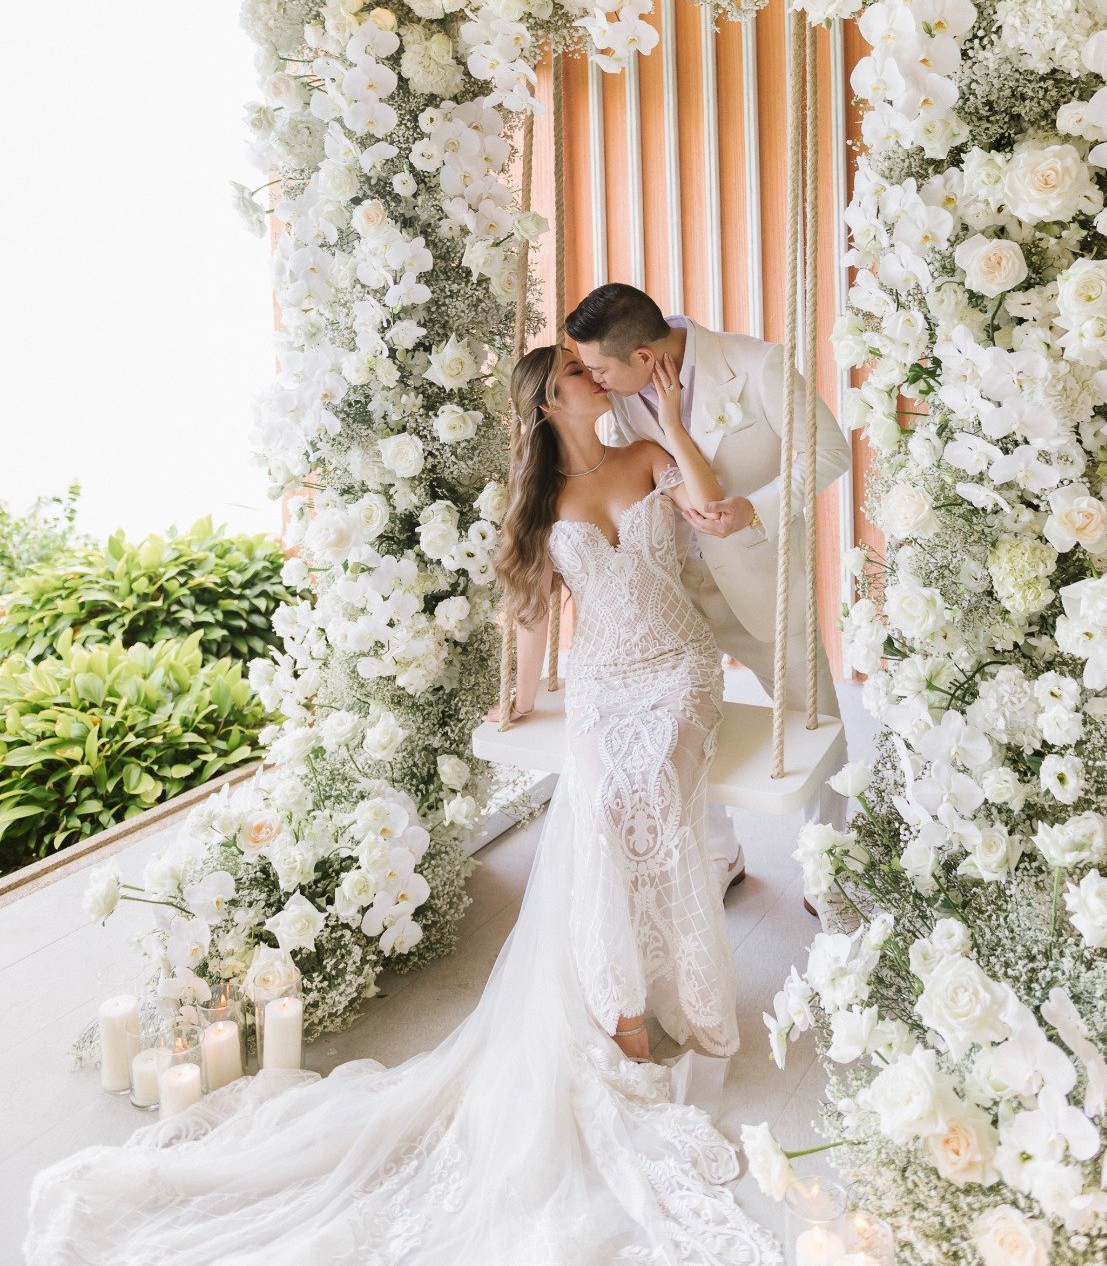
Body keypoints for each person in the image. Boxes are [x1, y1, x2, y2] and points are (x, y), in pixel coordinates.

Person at [24, 345, 779, 1266]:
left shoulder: (653, 453)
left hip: (680, 669)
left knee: (650, 785)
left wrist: (668, 415)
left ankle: (679, 999)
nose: (597, 380)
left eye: (595, 370)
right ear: (548, 405)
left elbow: (705, 505)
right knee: (599, 805)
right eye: (579, 376)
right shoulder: (540, 505)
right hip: (606, 679)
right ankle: (621, 1010)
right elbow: (535, 613)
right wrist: (523, 693)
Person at [566, 283, 853, 880]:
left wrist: (756, 507)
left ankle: (833, 864)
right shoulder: (614, 397)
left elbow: (827, 452)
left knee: (814, 719)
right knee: (686, 727)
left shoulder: (756, 365)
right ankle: (719, 854)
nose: (594, 381)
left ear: (644, 358)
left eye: (599, 368)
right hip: (669, 589)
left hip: (760, 579)